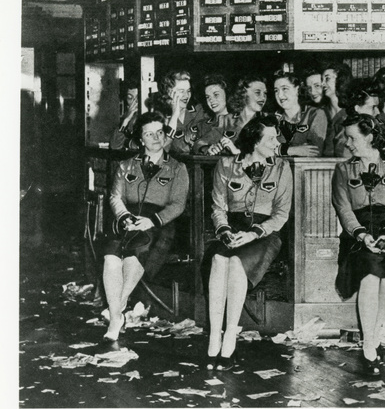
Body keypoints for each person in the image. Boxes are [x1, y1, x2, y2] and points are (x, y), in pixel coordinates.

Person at [204, 114, 292, 370]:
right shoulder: (226, 164)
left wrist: (255, 233)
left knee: (235, 265)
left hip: (265, 235)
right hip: (232, 230)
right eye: (272, 138)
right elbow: (218, 207)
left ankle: (230, 337)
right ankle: (214, 338)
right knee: (219, 260)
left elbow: (281, 214)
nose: (277, 142)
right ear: (254, 141)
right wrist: (224, 230)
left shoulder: (281, 168)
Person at [331, 114, 385, 376]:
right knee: (368, 275)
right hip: (358, 235)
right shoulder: (343, 170)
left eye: (353, 137)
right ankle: (369, 345)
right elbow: (344, 209)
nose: (348, 144)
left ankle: (372, 333)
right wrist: (362, 235)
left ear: (369, 137)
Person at [102, 111, 189, 341]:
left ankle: (114, 315)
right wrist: (124, 217)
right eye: (149, 134)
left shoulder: (177, 168)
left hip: (160, 223)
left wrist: (152, 220)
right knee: (111, 258)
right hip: (128, 220)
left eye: (160, 132)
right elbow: (115, 197)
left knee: (134, 255)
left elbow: (178, 205)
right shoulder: (126, 165)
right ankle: (117, 315)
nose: (156, 138)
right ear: (141, 139)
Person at [333, 78, 385, 157]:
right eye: (373, 107)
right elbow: (347, 159)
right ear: (357, 108)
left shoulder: (378, 126)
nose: (378, 112)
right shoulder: (344, 128)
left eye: (378, 107)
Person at [271, 70, 327, 157]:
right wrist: (291, 150)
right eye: (276, 91)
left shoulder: (314, 114)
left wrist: (278, 150)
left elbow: (314, 151)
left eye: (285, 89)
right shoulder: (272, 119)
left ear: (297, 89)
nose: (280, 95)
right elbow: (261, 149)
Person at [157, 69, 205, 154]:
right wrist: (174, 116)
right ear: (169, 92)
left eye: (188, 91)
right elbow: (161, 150)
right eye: (181, 91)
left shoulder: (199, 111)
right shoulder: (159, 117)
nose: (186, 96)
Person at [192, 73, 240, 155]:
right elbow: (195, 147)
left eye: (216, 95)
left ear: (227, 95)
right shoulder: (202, 125)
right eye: (208, 97)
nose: (211, 100)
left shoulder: (239, 122)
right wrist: (206, 149)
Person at [321, 62, 353, 156]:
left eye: (327, 79)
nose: (322, 84)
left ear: (340, 80)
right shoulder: (321, 112)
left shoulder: (352, 113)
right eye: (322, 80)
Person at [109, 79, 140, 150]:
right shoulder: (127, 118)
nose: (134, 102)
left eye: (138, 97)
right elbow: (114, 145)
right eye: (130, 97)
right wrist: (126, 120)